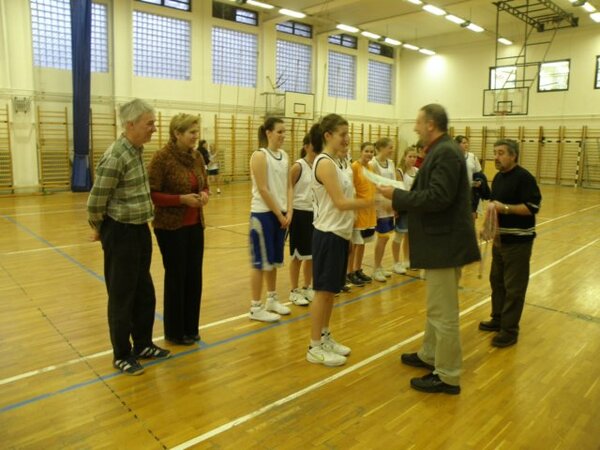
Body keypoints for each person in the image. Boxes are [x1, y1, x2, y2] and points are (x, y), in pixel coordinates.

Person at [379, 104, 480, 394]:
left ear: (431, 125)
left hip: (445, 245)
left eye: (418, 122)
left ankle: (447, 374)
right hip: (441, 243)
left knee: (444, 311)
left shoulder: (445, 152)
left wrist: (398, 196)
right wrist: (401, 199)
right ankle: (430, 354)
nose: (415, 127)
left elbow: (438, 198)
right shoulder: (441, 150)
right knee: (436, 307)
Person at [87, 98, 170, 376]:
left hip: (139, 230)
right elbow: (96, 202)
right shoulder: (116, 156)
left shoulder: (135, 151)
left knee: (144, 292)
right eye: (150, 124)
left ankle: (143, 344)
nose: (154, 128)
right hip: (121, 232)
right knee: (121, 297)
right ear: (130, 124)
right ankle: (122, 354)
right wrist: (101, 228)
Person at [307, 115, 374, 367]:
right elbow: (340, 202)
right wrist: (373, 202)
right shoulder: (325, 163)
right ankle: (314, 346)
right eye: (342, 134)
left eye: (348, 133)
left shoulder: (338, 162)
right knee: (323, 292)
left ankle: (325, 336)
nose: (347, 138)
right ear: (328, 136)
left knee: (331, 292)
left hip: (340, 233)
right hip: (327, 234)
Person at [147, 114, 209, 346]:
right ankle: (175, 332)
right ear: (177, 133)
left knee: (194, 277)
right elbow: (152, 193)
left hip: (195, 225)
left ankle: (191, 328)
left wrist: (204, 195)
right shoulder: (162, 158)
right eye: (191, 132)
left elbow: (205, 185)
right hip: (170, 227)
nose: (196, 136)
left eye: (196, 131)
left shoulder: (197, 157)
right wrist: (181, 199)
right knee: (177, 277)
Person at [479, 139, 541, 348]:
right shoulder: (498, 177)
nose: (496, 157)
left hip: (518, 242)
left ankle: (509, 330)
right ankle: (498, 319)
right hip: (500, 241)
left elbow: (532, 207)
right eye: (495, 152)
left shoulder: (524, 178)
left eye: (501, 153)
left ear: (513, 156)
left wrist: (505, 208)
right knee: (497, 282)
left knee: (514, 288)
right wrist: (488, 227)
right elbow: (493, 206)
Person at [248, 117, 293, 322]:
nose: (283, 135)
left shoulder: (284, 156)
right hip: (263, 214)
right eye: (279, 131)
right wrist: (279, 214)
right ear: (268, 133)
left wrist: (289, 211)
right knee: (260, 262)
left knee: (273, 261)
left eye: (285, 131)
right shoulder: (259, 155)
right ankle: (255, 307)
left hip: (281, 215)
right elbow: (263, 189)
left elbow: (289, 186)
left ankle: (272, 299)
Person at [288, 134, 316, 306]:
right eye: (314, 144)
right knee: (297, 255)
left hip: (315, 214)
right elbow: (288, 189)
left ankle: (307, 287)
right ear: (306, 146)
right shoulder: (298, 166)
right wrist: (288, 213)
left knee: (311, 255)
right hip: (299, 214)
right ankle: (294, 290)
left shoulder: (319, 165)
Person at [348, 142, 377, 285]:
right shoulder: (354, 167)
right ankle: (350, 272)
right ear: (361, 151)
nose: (369, 154)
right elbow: (351, 189)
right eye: (367, 151)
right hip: (358, 210)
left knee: (363, 243)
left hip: (369, 212)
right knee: (355, 244)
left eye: (371, 152)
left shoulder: (371, 167)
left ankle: (358, 269)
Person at [369, 137, 396, 282]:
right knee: (382, 237)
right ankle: (375, 268)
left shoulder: (390, 163)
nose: (392, 150)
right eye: (390, 147)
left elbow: (392, 183)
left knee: (385, 238)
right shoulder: (373, 163)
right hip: (379, 205)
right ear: (381, 148)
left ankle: (379, 266)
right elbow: (373, 185)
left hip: (389, 204)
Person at [391, 146, 419, 274]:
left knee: (410, 236)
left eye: (415, 156)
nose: (413, 159)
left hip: (414, 207)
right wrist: (396, 209)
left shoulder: (417, 171)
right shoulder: (400, 171)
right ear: (405, 157)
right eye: (410, 156)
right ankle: (396, 262)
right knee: (399, 236)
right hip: (403, 208)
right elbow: (398, 191)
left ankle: (407, 260)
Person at [455, 135, 483, 219]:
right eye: (464, 143)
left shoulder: (473, 157)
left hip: (471, 192)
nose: (466, 144)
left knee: (471, 217)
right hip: (457, 192)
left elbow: (479, 173)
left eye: (467, 142)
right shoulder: (451, 157)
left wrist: (478, 182)